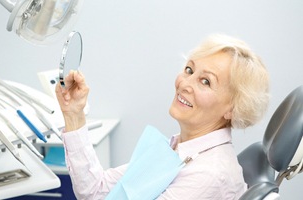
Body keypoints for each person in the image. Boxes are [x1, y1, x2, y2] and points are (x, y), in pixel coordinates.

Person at [55, 34, 269, 200]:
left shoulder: (209, 174)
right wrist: (74, 113)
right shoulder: (178, 149)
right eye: (189, 69)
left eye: (206, 82)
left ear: (233, 108)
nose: (185, 84)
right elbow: (95, 191)